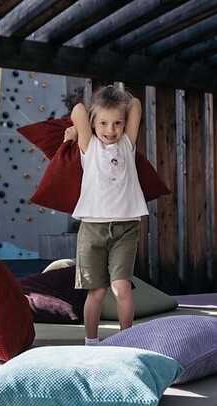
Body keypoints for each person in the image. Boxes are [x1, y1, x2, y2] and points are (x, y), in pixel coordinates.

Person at [68, 85, 148, 345]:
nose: (110, 130)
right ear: (93, 123)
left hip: (125, 228)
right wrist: (78, 130)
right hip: (93, 230)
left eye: (117, 123)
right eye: (103, 123)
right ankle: (91, 343)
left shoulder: (126, 144)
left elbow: (135, 104)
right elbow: (78, 109)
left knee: (121, 287)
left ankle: (127, 341)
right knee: (97, 291)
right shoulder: (89, 146)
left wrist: (118, 99)